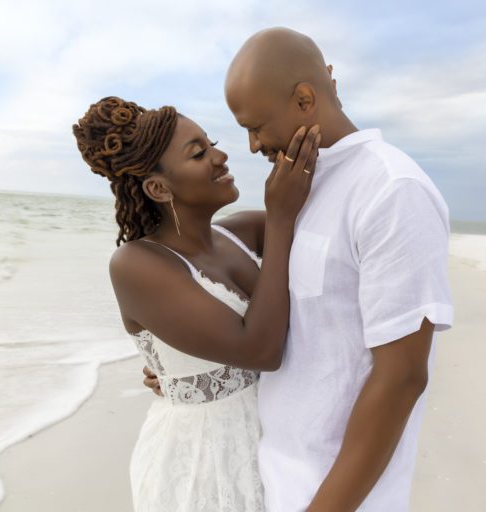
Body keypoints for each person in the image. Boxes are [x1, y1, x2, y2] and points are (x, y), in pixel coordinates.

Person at [145, 27, 455, 511]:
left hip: (336, 495)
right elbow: (296, 330)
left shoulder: (392, 191)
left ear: (306, 99)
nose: (249, 146)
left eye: (255, 126)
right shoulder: (299, 187)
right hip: (270, 476)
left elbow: (402, 378)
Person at [72, 95, 320, 511]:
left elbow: (327, 222)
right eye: (199, 153)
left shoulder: (243, 232)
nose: (222, 157)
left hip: (277, 441)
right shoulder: (137, 264)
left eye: (212, 142)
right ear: (158, 188)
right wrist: (279, 217)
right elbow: (261, 350)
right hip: (206, 464)